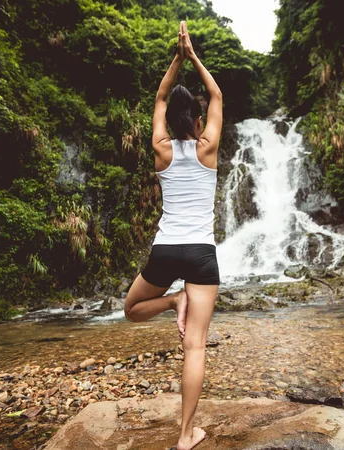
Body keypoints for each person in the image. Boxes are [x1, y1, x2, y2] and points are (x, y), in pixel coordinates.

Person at [123, 20, 222, 450]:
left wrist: (175, 59)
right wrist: (193, 56)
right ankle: (186, 436)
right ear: (198, 119)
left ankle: (171, 300)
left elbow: (162, 94)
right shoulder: (208, 148)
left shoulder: (161, 150)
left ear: (166, 119)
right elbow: (217, 94)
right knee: (195, 347)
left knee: (131, 310)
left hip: (166, 249)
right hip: (201, 254)